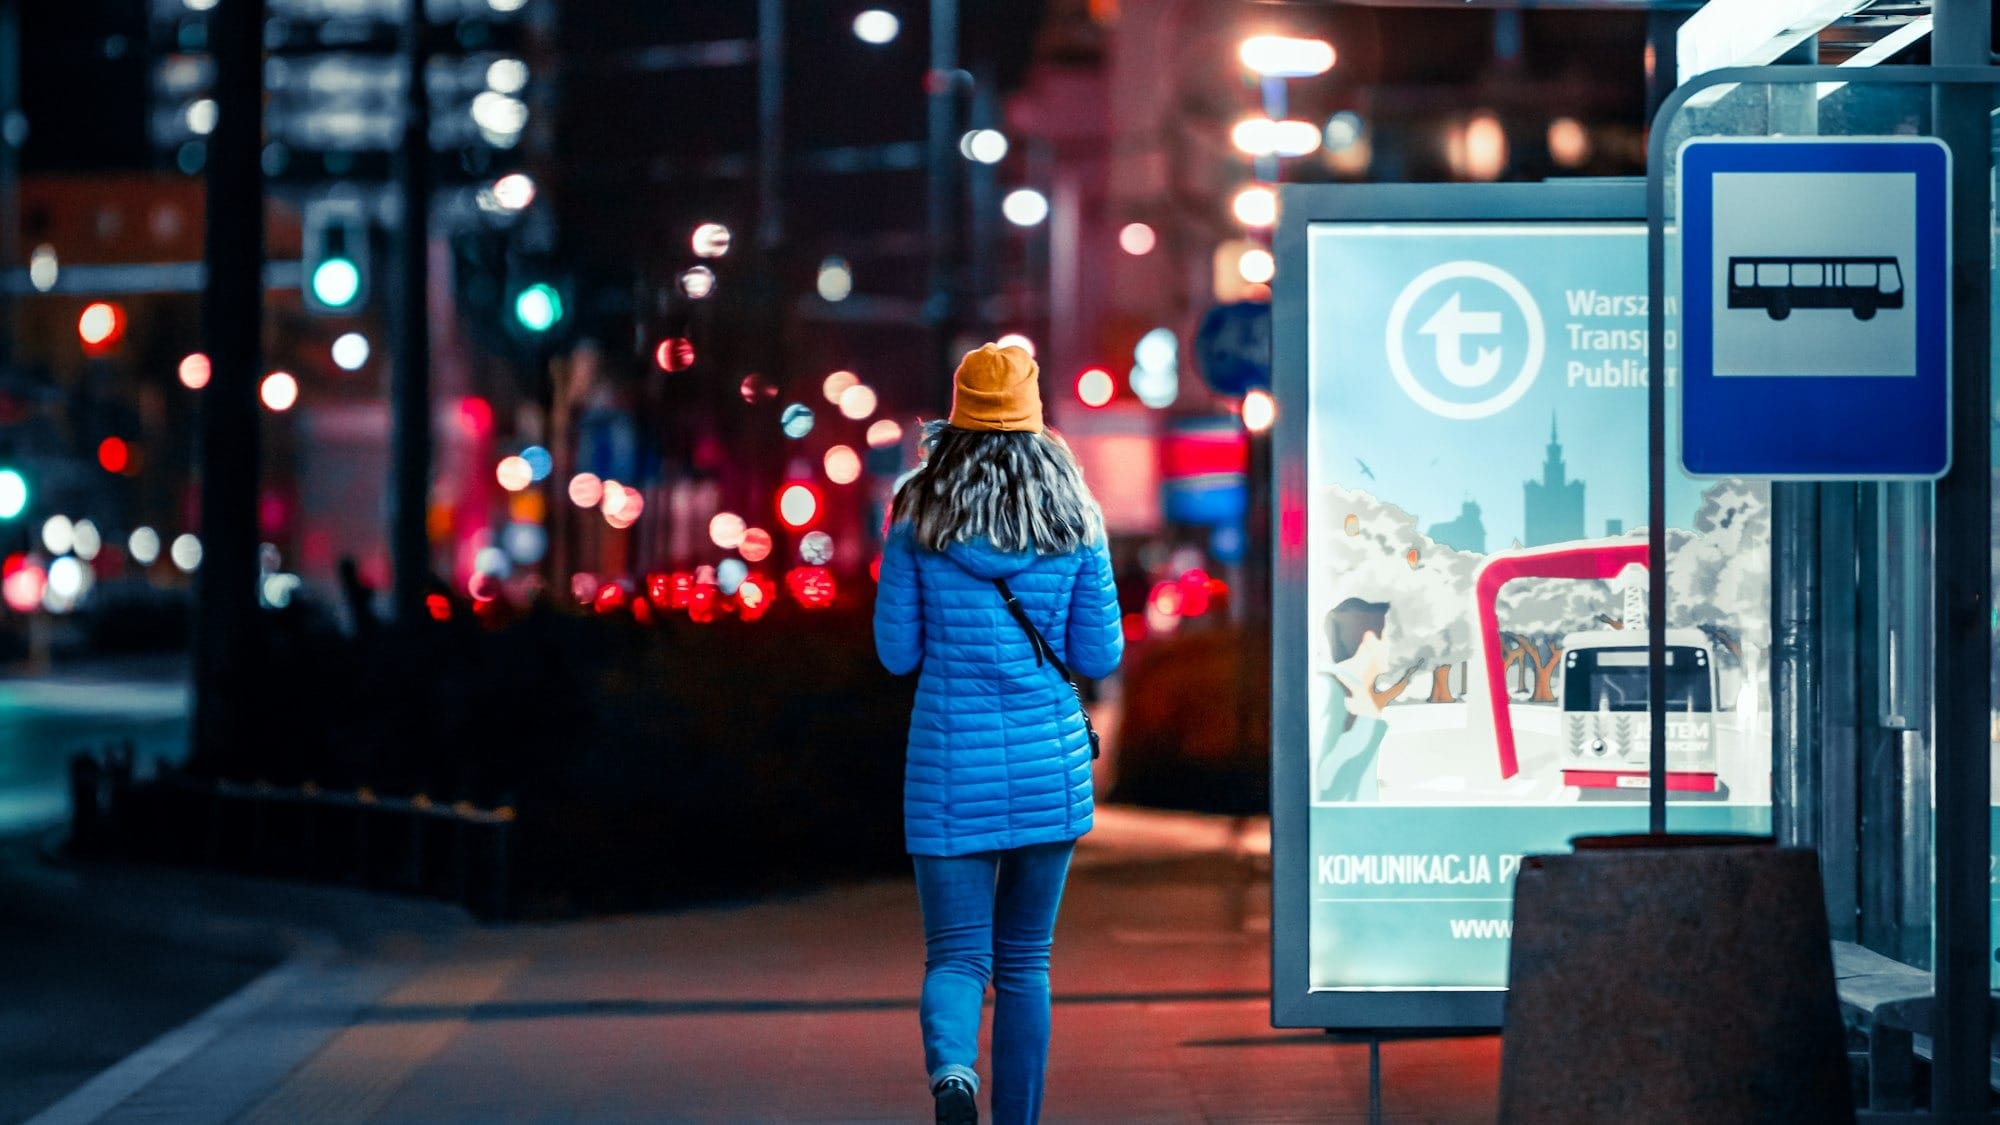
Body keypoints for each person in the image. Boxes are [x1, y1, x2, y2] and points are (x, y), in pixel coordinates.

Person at [874, 342, 1123, 1125]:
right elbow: (1098, 653)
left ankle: (953, 1073)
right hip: (1049, 769)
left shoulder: (917, 514)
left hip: (950, 767)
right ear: (1034, 415)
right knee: (1025, 964)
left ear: (959, 414)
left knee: (956, 954)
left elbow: (896, 653)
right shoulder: (1077, 515)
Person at [1316, 597, 1391, 802]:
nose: (1392, 647)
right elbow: (1325, 782)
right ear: (1369, 639)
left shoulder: (1356, 692)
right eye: (1389, 636)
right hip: (1340, 828)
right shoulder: (1330, 690)